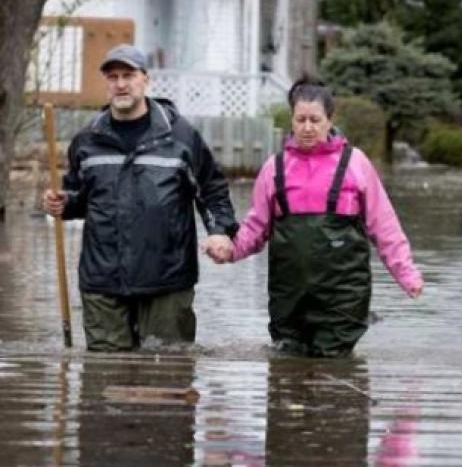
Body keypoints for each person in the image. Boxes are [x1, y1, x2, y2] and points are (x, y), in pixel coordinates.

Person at [42, 44, 237, 351]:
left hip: (167, 278)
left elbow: (212, 191)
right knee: (103, 382)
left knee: (168, 380)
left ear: (145, 79)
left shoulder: (182, 136)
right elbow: (78, 197)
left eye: (128, 75)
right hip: (102, 279)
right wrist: (62, 204)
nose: (120, 84)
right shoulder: (86, 141)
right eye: (113, 76)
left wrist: (219, 231)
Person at [218, 76, 423, 358]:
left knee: (335, 366)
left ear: (329, 120)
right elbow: (255, 228)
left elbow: (384, 226)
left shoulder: (356, 164)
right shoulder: (273, 168)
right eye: (300, 119)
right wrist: (229, 250)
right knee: (287, 368)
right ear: (291, 120)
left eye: (315, 120)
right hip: (289, 297)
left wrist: (406, 274)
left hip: (342, 296)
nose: (307, 128)